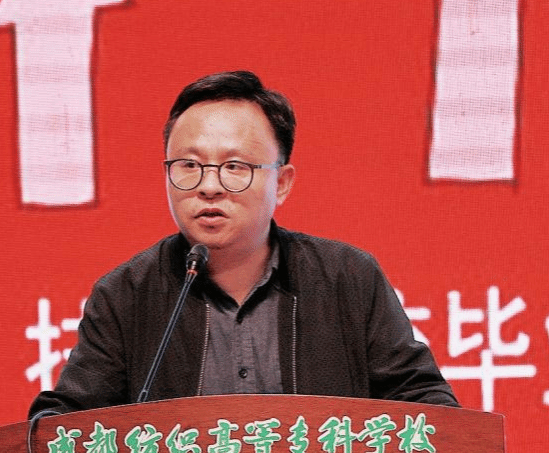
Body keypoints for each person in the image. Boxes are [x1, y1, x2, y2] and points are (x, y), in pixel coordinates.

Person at [29, 71, 457, 417]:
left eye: (234, 166)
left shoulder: (347, 278)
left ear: (282, 183)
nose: (209, 186)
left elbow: (423, 403)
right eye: (189, 165)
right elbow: (69, 425)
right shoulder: (126, 295)